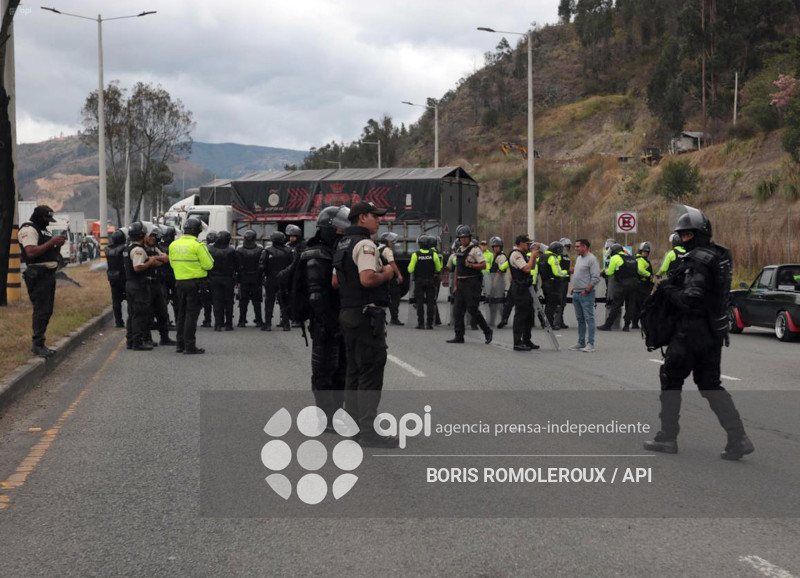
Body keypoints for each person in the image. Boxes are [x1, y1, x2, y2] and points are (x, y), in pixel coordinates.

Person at [644, 205, 754, 460]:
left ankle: (667, 437)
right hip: (714, 332)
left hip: (690, 332)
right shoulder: (720, 255)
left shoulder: (698, 260)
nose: (683, 239)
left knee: (670, 380)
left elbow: (692, 298)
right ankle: (738, 438)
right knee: (710, 384)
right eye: (681, 235)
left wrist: (667, 290)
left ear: (697, 233)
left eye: (686, 235)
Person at [333, 201, 398, 448]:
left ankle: (352, 429)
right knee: (370, 373)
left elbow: (335, 282)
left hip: (348, 314)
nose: (379, 220)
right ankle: (368, 433)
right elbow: (368, 279)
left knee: (354, 372)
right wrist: (388, 274)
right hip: (365, 316)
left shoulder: (342, 244)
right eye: (375, 216)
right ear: (362, 218)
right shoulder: (365, 244)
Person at [298, 206, 351, 426]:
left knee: (341, 370)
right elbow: (316, 296)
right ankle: (325, 417)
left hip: (339, 321)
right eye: (339, 229)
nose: (342, 233)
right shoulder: (316, 255)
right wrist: (331, 324)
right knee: (324, 371)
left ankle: (337, 414)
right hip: (324, 324)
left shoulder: (333, 251)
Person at [18, 205, 66, 357]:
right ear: (39, 217)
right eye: (46, 219)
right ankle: (37, 345)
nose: (48, 223)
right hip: (37, 274)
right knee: (41, 310)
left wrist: (57, 246)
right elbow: (31, 252)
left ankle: (41, 343)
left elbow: (48, 253)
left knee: (47, 310)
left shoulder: (43, 230)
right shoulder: (29, 229)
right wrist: (51, 242)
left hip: (47, 274)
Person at [169, 217, 214, 354]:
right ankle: (189, 346)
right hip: (195, 284)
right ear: (197, 231)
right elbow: (209, 265)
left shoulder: (173, 245)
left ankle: (180, 344)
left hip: (180, 283)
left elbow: (172, 264)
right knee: (191, 315)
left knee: (181, 314)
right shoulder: (198, 246)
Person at [446, 225, 493, 345]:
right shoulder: (459, 250)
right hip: (461, 283)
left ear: (469, 238)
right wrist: (456, 284)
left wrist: (471, 265)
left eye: (465, 237)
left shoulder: (475, 250)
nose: (463, 240)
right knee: (457, 311)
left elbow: (483, 265)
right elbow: (457, 268)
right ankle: (459, 336)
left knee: (472, 309)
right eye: (461, 238)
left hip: (472, 283)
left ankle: (487, 331)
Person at [124, 222, 164, 351]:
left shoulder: (128, 248)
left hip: (131, 284)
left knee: (132, 313)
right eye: (146, 234)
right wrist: (150, 262)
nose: (148, 236)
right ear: (142, 235)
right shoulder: (138, 250)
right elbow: (137, 267)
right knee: (139, 314)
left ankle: (130, 340)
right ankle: (137, 342)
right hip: (138, 285)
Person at [144, 226, 176, 346]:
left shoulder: (156, 248)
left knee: (162, 312)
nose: (153, 238)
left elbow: (166, 259)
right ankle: (147, 339)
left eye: (155, 237)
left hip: (158, 283)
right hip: (147, 283)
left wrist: (154, 259)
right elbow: (147, 262)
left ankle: (165, 337)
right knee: (148, 312)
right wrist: (154, 261)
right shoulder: (141, 249)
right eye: (151, 236)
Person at [508, 235, 540, 351]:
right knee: (520, 315)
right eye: (527, 244)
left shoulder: (523, 255)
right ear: (520, 243)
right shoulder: (516, 254)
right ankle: (517, 342)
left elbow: (532, 267)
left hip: (526, 286)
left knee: (529, 314)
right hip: (519, 287)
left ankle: (527, 339)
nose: (529, 246)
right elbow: (526, 269)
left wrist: (534, 257)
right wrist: (532, 255)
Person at [569, 239, 601, 352]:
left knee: (589, 318)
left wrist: (587, 290)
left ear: (585, 247)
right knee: (580, 319)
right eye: (575, 246)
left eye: (578, 246)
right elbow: (580, 275)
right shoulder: (579, 258)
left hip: (586, 294)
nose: (576, 248)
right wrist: (574, 287)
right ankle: (580, 342)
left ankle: (590, 344)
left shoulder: (592, 259)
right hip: (577, 293)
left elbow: (596, 277)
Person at [598, 244, 639, 331]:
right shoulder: (631, 257)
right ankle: (627, 326)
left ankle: (608, 325)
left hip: (622, 285)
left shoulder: (615, 258)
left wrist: (603, 273)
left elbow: (610, 272)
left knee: (616, 305)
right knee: (630, 305)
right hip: (634, 285)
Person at [260, 231, 293, 331]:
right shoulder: (289, 251)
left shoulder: (267, 251)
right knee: (284, 302)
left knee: (269, 302)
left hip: (271, 278)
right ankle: (286, 324)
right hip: (284, 279)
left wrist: (262, 276)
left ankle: (268, 324)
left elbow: (261, 266)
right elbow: (293, 265)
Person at [408, 235, 443, 329]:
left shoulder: (415, 255)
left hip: (419, 281)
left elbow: (410, 269)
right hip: (430, 280)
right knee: (430, 302)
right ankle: (429, 324)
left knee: (419, 302)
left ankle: (420, 323)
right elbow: (439, 268)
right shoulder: (434, 254)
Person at [208, 230, 237, 331]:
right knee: (229, 302)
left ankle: (218, 324)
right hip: (228, 278)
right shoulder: (231, 250)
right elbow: (236, 265)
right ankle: (228, 324)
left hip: (214, 278)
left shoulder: (210, 249)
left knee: (217, 301)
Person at [538, 241, 569, 329]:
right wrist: (566, 273)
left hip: (544, 283)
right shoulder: (552, 258)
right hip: (552, 284)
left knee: (548, 303)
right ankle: (548, 324)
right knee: (551, 305)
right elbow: (557, 272)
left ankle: (545, 322)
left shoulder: (542, 257)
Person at [236, 230, 264, 327]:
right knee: (256, 300)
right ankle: (259, 320)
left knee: (243, 300)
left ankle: (242, 321)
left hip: (243, 277)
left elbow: (237, 265)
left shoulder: (239, 249)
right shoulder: (260, 249)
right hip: (256, 277)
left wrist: (237, 278)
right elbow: (262, 265)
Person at [378, 232, 405, 326]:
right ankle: (394, 318)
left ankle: (381, 317)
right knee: (395, 297)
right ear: (387, 242)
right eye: (391, 241)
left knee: (384, 296)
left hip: (381, 276)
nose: (393, 243)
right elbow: (392, 263)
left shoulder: (378, 248)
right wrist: (399, 275)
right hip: (390, 277)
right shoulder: (387, 250)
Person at [105, 229, 127, 328]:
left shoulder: (107, 249)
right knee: (130, 299)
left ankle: (118, 321)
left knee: (116, 300)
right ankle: (130, 320)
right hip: (123, 276)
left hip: (112, 276)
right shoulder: (124, 248)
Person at [633, 241, 654, 330]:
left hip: (642, 285)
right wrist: (648, 275)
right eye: (643, 251)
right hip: (642, 286)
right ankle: (642, 324)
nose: (645, 253)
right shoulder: (640, 260)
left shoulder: (640, 259)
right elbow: (640, 270)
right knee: (643, 305)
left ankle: (636, 323)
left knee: (638, 305)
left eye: (646, 252)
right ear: (640, 251)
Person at [159, 226, 178, 324]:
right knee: (177, 300)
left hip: (162, 277)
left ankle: (165, 321)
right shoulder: (176, 246)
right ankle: (179, 321)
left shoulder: (159, 246)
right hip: (175, 276)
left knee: (163, 301)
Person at [200, 231, 218, 327]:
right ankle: (219, 320)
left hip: (206, 277)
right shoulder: (220, 248)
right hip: (217, 276)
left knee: (207, 300)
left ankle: (207, 320)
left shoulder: (204, 248)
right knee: (217, 300)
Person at [557, 238, 573, 329]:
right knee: (559, 301)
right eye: (566, 246)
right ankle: (557, 321)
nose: (567, 248)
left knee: (563, 302)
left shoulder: (566, 256)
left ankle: (560, 320)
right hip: (560, 280)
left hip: (565, 280)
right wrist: (568, 270)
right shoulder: (558, 256)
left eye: (568, 246)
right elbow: (557, 269)